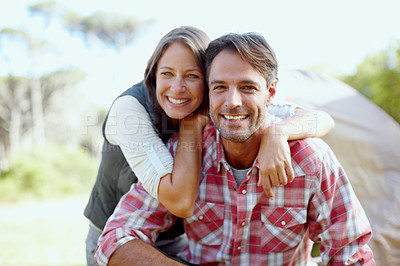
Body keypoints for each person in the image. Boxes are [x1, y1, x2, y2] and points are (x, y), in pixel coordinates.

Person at [95, 32, 374, 265]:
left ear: (271, 93)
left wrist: (278, 133)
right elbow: (114, 238)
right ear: (207, 94)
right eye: (220, 87)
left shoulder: (310, 160)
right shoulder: (181, 147)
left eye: (247, 87)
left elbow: (351, 254)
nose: (232, 101)